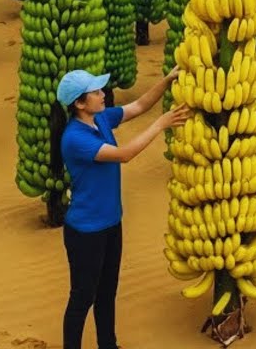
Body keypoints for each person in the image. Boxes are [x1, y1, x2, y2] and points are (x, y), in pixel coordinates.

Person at [57, 68, 190, 349]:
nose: (102, 94)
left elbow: (140, 105)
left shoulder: (101, 118)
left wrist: (165, 81)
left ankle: (108, 344)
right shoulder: (74, 138)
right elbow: (124, 155)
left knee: (106, 292)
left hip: (110, 223)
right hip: (85, 231)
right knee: (82, 297)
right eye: (95, 92)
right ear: (79, 104)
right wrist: (160, 125)